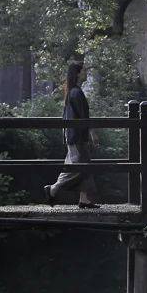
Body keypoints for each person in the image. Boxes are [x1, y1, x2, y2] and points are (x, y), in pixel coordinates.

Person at [44, 61, 100, 208]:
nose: (86, 73)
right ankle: (53, 189)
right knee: (77, 166)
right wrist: (92, 133)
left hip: (74, 135)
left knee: (83, 165)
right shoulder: (76, 92)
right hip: (76, 136)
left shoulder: (73, 91)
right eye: (84, 71)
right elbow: (83, 117)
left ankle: (84, 199)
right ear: (78, 73)